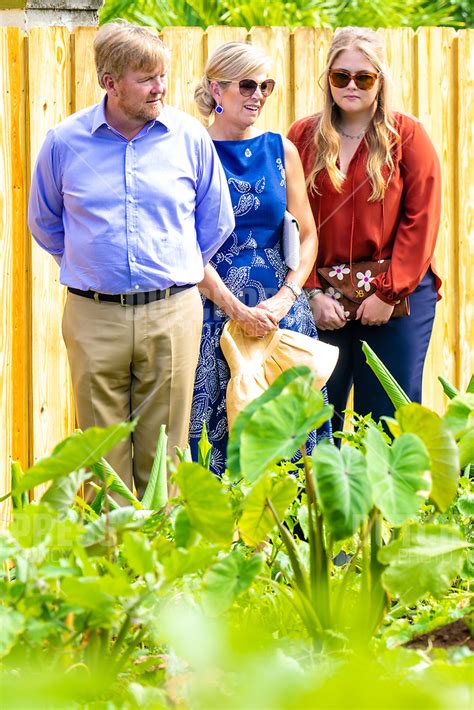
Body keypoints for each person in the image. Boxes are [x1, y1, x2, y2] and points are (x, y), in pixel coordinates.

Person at [28, 21, 234, 497]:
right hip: (93, 315)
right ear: (110, 83)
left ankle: (159, 566)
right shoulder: (64, 142)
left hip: (172, 313)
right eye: (146, 79)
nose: (160, 88)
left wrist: (171, 269)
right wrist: (95, 267)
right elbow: (45, 222)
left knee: (166, 454)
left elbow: (214, 223)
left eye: (163, 76)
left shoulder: (189, 138)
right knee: (100, 459)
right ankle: (109, 566)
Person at [287, 27, 441, 433]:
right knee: (316, 420)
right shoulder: (302, 138)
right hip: (324, 301)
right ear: (328, 80)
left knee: (388, 419)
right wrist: (312, 295)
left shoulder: (407, 137)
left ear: (380, 80)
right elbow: (290, 220)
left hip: (396, 299)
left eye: (364, 77)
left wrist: (389, 293)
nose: (351, 85)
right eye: (341, 76)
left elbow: (421, 220)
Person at [190, 41, 332, 475]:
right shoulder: (192, 150)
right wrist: (234, 308)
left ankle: (295, 541)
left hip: (280, 316)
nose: (258, 95)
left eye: (266, 86)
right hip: (214, 316)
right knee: (219, 437)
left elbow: (308, 234)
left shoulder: (281, 149)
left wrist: (288, 298)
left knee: (290, 438)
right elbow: (186, 246)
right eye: (247, 85)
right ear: (217, 88)